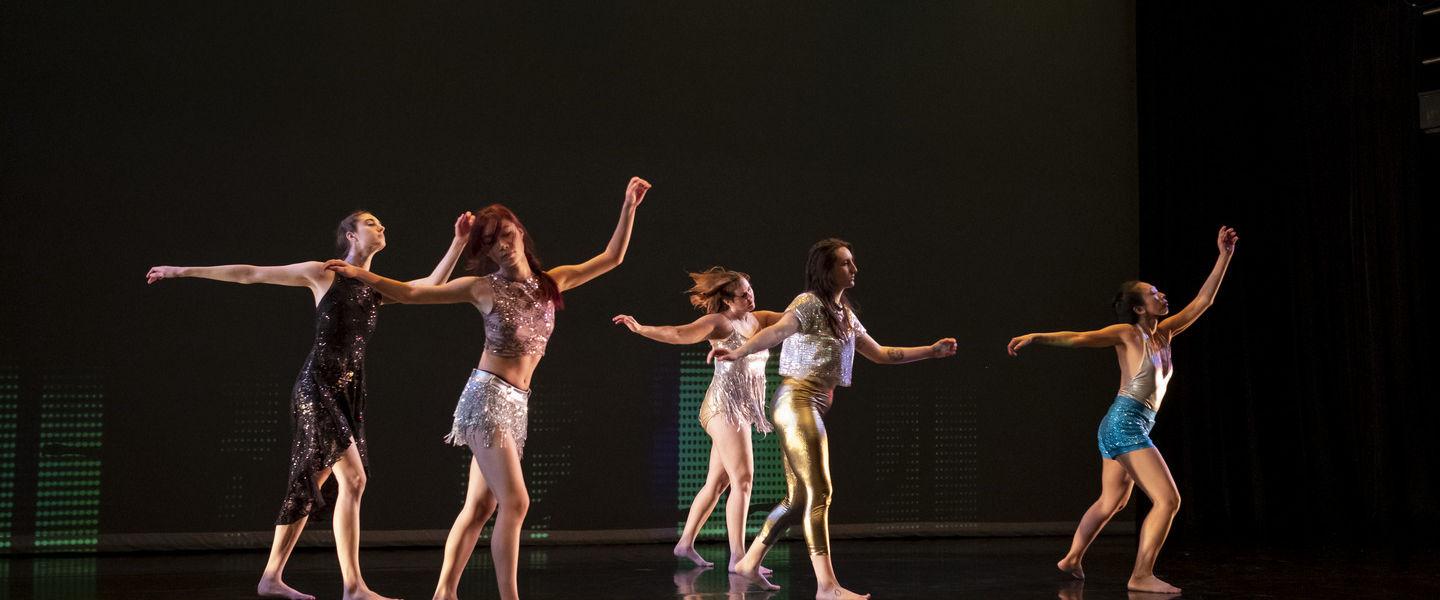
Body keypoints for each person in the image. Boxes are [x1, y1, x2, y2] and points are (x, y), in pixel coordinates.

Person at [324, 177, 652, 600]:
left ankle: (444, 593)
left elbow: (611, 257)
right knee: (516, 503)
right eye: (493, 242)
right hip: (486, 400)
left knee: (481, 507)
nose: (503, 246)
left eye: (507, 235)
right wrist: (358, 274)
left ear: (520, 233)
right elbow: (410, 293)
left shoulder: (552, 282)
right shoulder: (483, 287)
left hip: (518, 406)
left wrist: (628, 205)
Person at [146, 211, 474, 600]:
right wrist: (180, 271)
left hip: (348, 395)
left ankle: (271, 578)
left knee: (309, 483)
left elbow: (431, 285)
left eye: (381, 222)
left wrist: (459, 241)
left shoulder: (374, 288)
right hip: (316, 387)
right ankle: (353, 587)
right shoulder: (323, 273)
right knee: (353, 480)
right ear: (350, 236)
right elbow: (249, 273)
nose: (381, 226)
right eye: (371, 222)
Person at [712, 238, 958, 600]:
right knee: (821, 493)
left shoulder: (844, 316)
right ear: (827, 271)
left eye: (852, 262)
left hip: (809, 405)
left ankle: (749, 562)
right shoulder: (807, 303)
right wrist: (739, 350)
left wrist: (931, 351)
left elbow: (883, 354)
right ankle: (826, 587)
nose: (854, 269)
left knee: (797, 500)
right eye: (845, 263)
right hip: (797, 402)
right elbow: (775, 332)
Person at [1006, 226, 1239, 594]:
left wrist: (1223, 256)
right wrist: (1037, 336)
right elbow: (1081, 338)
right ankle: (1141, 575)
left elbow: (1203, 302)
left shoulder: (1166, 333)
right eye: (1153, 294)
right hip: (1124, 423)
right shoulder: (1128, 334)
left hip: (1126, 423)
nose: (1162, 296)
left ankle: (1071, 557)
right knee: (1168, 499)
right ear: (1137, 308)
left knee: (1111, 500)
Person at [613, 267, 779, 574]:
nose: (750, 296)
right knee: (743, 479)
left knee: (717, 483)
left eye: (750, 290)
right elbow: (678, 333)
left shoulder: (761, 320)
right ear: (728, 300)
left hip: (740, 410)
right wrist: (640, 328)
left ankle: (685, 542)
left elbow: (798, 319)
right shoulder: (720, 322)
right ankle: (739, 558)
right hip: (722, 407)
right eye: (743, 293)